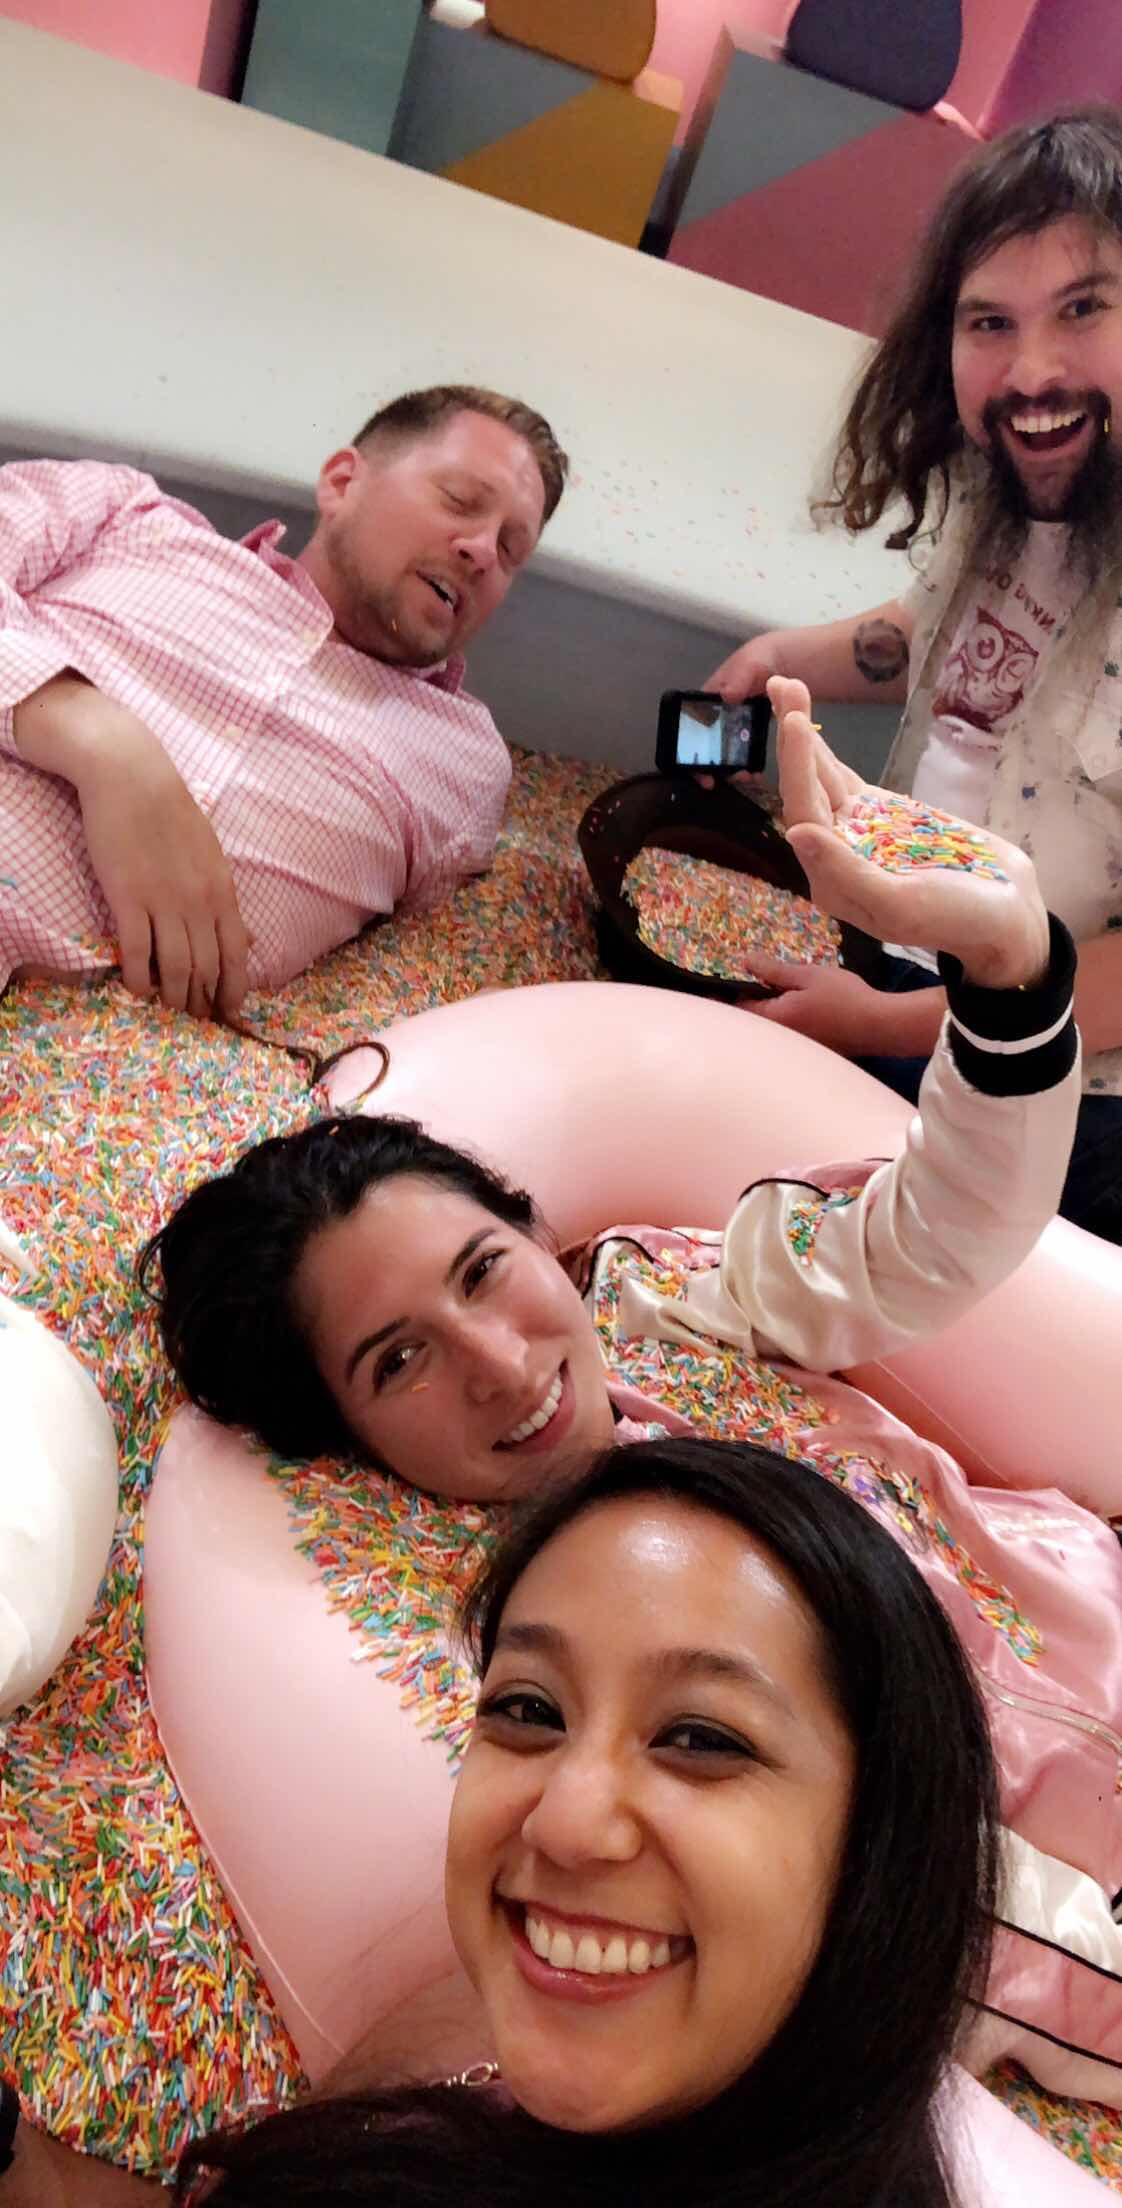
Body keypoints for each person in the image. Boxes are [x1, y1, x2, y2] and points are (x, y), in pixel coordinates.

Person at [142, 681, 1122, 2100]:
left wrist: (1007, 971)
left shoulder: (675, 1300)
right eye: (398, 1361)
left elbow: (936, 1238)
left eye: (484, 1272)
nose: (500, 1362)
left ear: (536, 1233)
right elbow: (945, 1912)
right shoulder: (546, 1643)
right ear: (343, 1435)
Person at [5, 1435, 1004, 2206]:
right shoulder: (529, 1994)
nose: (563, 1824)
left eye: (700, 1737)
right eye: (530, 1709)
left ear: (886, 1844)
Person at [706, 109, 1122, 1242]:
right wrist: (786, 659)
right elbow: (940, 637)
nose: (1032, 372)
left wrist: (882, 1026)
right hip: (894, 969)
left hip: (1058, 1098)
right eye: (991, 322)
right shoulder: (1009, 491)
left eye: (1084, 308)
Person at [0, 383, 566, 1020]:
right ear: (343, 482)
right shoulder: (122, 513)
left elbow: (425, 976)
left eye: (511, 550)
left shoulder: (464, 769)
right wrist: (100, 741)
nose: (483, 551)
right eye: (459, 500)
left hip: (101, 1062)